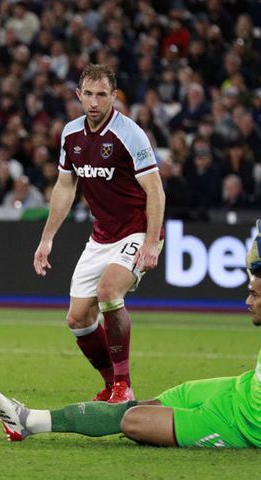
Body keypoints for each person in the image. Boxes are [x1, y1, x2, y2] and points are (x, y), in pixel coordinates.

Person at [0, 222, 261, 456]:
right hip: (237, 394)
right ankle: (28, 422)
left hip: (250, 429)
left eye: (254, 295)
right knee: (146, 406)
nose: (247, 301)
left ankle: (29, 421)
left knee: (134, 421)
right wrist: (256, 265)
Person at [33, 63, 165, 404]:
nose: (94, 102)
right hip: (101, 236)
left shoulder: (130, 134)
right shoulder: (71, 134)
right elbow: (65, 187)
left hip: (138, 230)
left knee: (109, 291)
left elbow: (155, 190)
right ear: (78, 95)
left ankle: (124, 384)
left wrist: (151, 242)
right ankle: (111, 385)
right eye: (88, 94)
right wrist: (47, 238)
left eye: (101, 95)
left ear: (113, 96)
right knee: (78, 319)